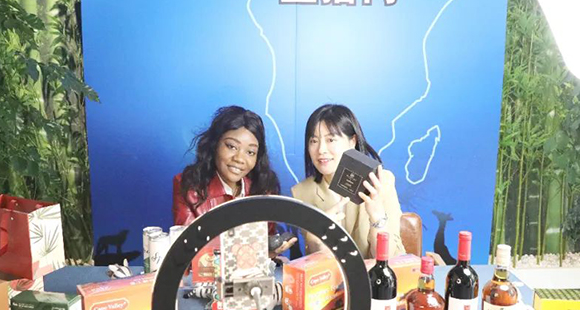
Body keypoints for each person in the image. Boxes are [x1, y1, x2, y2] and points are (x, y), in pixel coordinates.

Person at [172, 106, 296, 256]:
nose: (239, 159)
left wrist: (269, 253)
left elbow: (266, 247)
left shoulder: (264, 188)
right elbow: (187, 254)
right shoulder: (188, 186)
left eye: (250, 152)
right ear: (215, 144)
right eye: (231, 146)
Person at [291, 104, 406, 259]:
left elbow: (389, 257)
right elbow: (315, 262)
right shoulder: (301, 193)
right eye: (314, 141)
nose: (321, 150)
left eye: (330, 139)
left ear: (352, 141)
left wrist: (377, 216)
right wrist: (316, 237)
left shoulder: (381, 181)